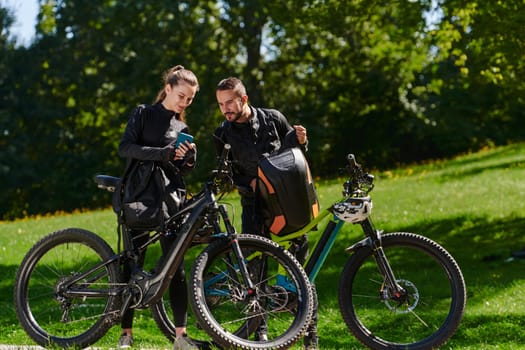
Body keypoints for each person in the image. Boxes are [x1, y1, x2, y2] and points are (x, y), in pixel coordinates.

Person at [213, 77, 319, 350]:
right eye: (221, 104)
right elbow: (226, 175)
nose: (225, 109)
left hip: (287, 201)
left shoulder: (273, 119)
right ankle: (261, 332)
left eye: (229, 102)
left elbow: (296, 156)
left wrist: (302, 141)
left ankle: (309, 333)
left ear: (244, 99)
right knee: (257, 271)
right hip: (253, 205)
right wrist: (248, 183)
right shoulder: (222, 133)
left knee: (300, 269)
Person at [117, 65, 199, 350]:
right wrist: (161, 154)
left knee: (176, 268)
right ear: (168, 88)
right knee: (132, 263)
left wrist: (187, 159)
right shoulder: (143, 113)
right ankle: (126, 334)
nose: (184, 103)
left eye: (189, 99)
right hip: (139, 196)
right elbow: (126, 148)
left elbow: (179, 169)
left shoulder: (182, 128)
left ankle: (180, 336)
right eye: (181, 96)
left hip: (169, 201)